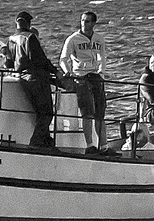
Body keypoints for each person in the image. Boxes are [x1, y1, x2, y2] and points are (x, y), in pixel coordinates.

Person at [6, 10, 58, 148]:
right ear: (29, 23)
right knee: (47, 113)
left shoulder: (11, 39)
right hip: (36, 78)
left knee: (39, 113)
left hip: (22, 79)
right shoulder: (30, 37)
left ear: (16, 23)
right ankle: (36, 144)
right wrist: (56, 72)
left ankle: (47, 142)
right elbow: (40, 60)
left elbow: (9, 63)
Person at [60, 10, 108, 153]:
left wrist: (101, 72)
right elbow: (63, 59)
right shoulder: (73, 39)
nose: (83, 23)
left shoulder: (99, 38)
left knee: (100, 113)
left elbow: (102, 56)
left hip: (95, 76)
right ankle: (90, 145)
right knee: (87, 112)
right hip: (80, 76)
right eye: (82, 20)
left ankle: (104, 146)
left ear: (93, 23)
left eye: (87, 21)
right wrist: (68, 72)